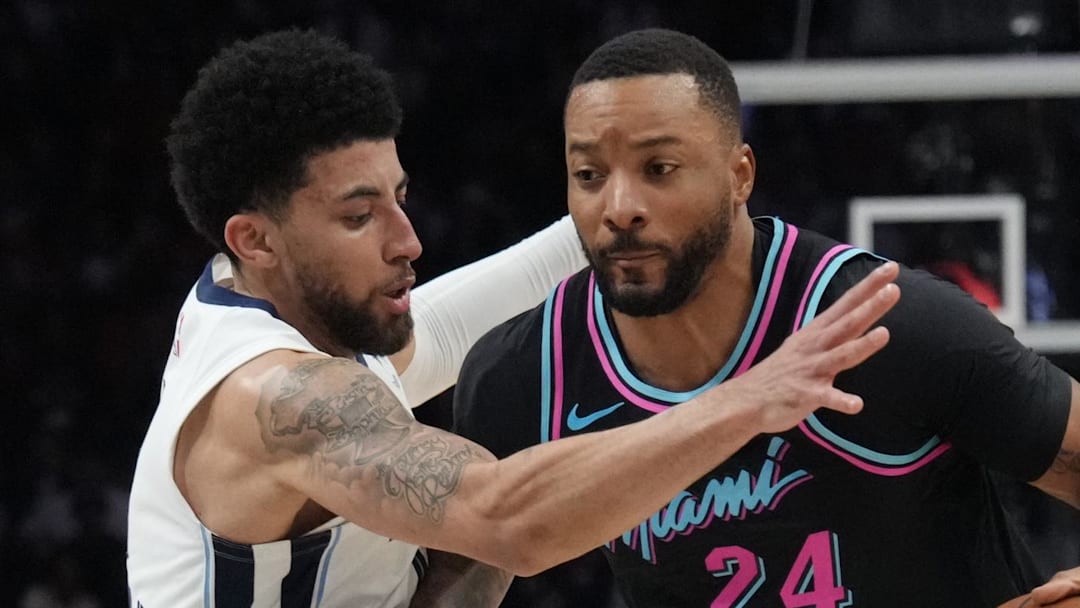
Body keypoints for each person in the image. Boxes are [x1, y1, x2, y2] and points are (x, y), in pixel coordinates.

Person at [125, 29, 903, 607]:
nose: (409, 240)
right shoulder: (278, 400)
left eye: (400, 198)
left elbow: (490, 301)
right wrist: (745, 399)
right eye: (361, 218)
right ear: (254, 239)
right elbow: (511, 525)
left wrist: (662, 191)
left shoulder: (274, 311)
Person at [453, 28, 1080, 607]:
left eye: (658, 169)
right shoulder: (524, 374)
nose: (619, 207)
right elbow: (462, 577)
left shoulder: (889, 325)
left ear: (739, 175)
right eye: (589, 174)